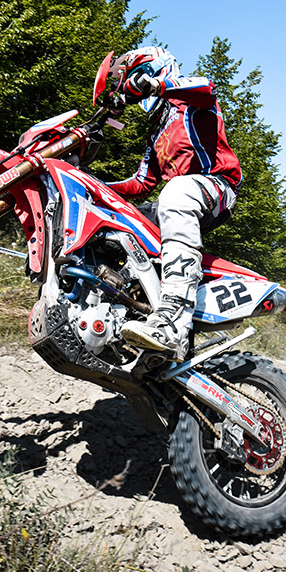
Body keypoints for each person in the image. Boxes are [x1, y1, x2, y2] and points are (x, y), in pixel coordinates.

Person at [105, 47, 242, 360]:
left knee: (176, 191)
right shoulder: (156, 128)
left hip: (217, 187)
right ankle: (123, 313)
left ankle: (174, 322)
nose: (135, 85)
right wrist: (94, 185)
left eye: (139, 75)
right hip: (178, 198)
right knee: (118, 222)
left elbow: (207, 88)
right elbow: (141, 182)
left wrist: (156, 86)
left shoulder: (189, 98)